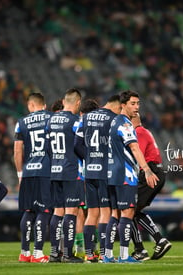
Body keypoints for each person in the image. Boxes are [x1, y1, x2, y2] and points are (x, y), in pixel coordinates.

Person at [104, 90, 159, 263]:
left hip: (112, 174)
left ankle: (107, 255)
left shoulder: (113, 122)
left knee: (115, 215)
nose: (136, 107)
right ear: (123, 105)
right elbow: (135, 148)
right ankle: (124, 255)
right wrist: (147, 171)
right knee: (127, 214)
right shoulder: (126, 124)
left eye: (138, 103)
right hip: (125, 174)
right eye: (132, 104)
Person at [74, 96, 120, 262]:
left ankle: (89, 253)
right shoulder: (113, 119)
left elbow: (76, 144)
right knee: (105, 212)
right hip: (105, 171)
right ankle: (103, 253)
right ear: (117, 107)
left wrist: (88, 158)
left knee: (92, 213)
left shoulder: (85, 117)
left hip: (89, 172)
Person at [14, 92, 53, 263]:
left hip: (28, 171)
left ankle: (24, 252)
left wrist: (20, 174)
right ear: (44, 105)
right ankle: (38, 253)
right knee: (43, 211)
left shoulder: (21, 122)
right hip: (45, 171)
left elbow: (17, 150)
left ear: (30, 106)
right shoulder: (52, 118)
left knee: (28, 211)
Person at [46, 88, 83, 263]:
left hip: (54, 170)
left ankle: (54, 253)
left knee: (57, 211)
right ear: (77, 103)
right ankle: (68, 254)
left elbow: (46, 147)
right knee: (71, 211)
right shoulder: (76, 121)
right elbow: (80, 145)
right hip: (71, 170)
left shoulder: (51, 120)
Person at [129, 113, 172, 261]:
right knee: (133, 210)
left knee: (128, 210)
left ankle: (144, 248)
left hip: (150, 172)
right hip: (156, 171)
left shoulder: (138, 132)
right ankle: (156, 242)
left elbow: (137, 155)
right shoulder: (145, 131)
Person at [73, 98, 101, 260]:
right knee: (96, 211)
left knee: (78, 213)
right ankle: (95, 248)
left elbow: (76, 146)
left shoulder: (77, 124)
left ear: (82, 113)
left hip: (76, 173)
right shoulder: (98, 125)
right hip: (94, 171)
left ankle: (80, 248)